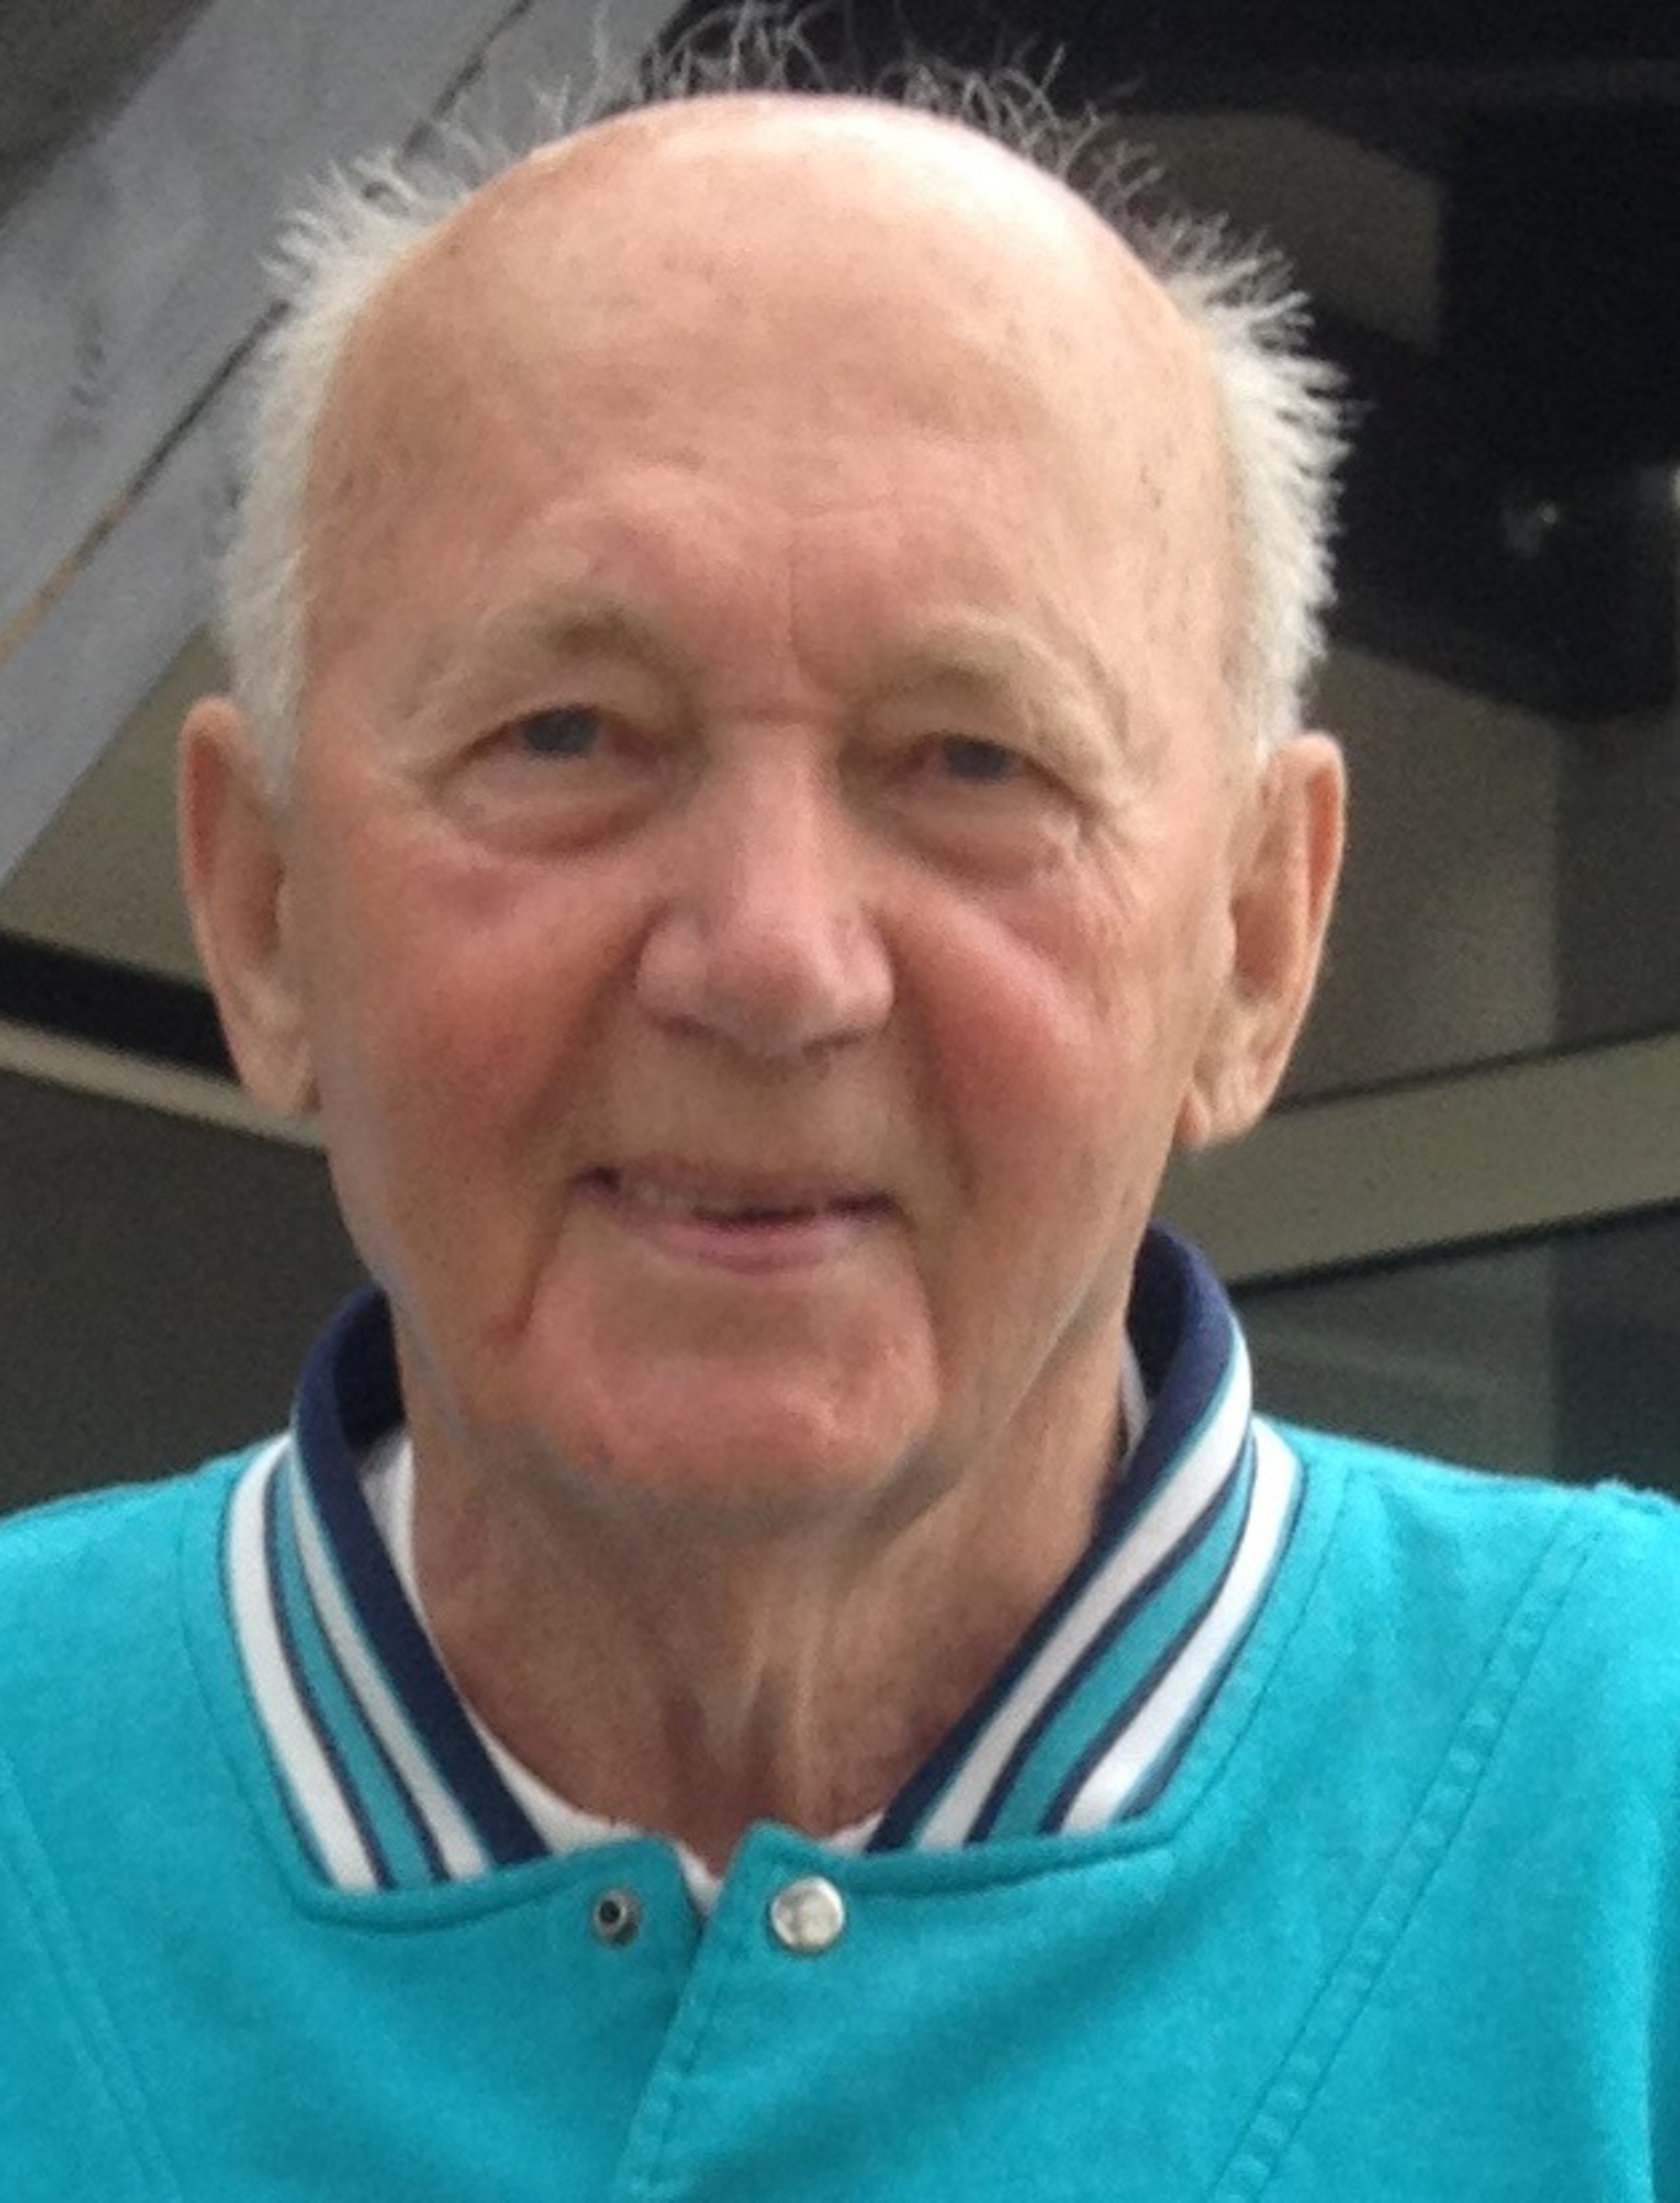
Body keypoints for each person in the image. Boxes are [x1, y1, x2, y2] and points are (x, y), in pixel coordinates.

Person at [3, 28, 1677, 2202]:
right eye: (566, 731)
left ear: (1257, 941)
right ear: (264, 910)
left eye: (975, 761)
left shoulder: (1626, 1817)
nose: (775, 961)